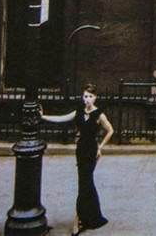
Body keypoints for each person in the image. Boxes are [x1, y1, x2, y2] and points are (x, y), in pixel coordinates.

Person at [39, 85, 113, 234]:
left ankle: (77, 221)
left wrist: (100, 147)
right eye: (85, 96)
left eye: (90, 96)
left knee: (84, 184)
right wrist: (43, 116)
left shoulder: (99, 114)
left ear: (95, 97)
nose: (87, 99)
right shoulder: (78, 111)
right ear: (82, 97)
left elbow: (110, 130)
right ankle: (92, 215)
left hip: (92, 151)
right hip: (80, 151)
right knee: (86, 183)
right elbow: (62, 118)